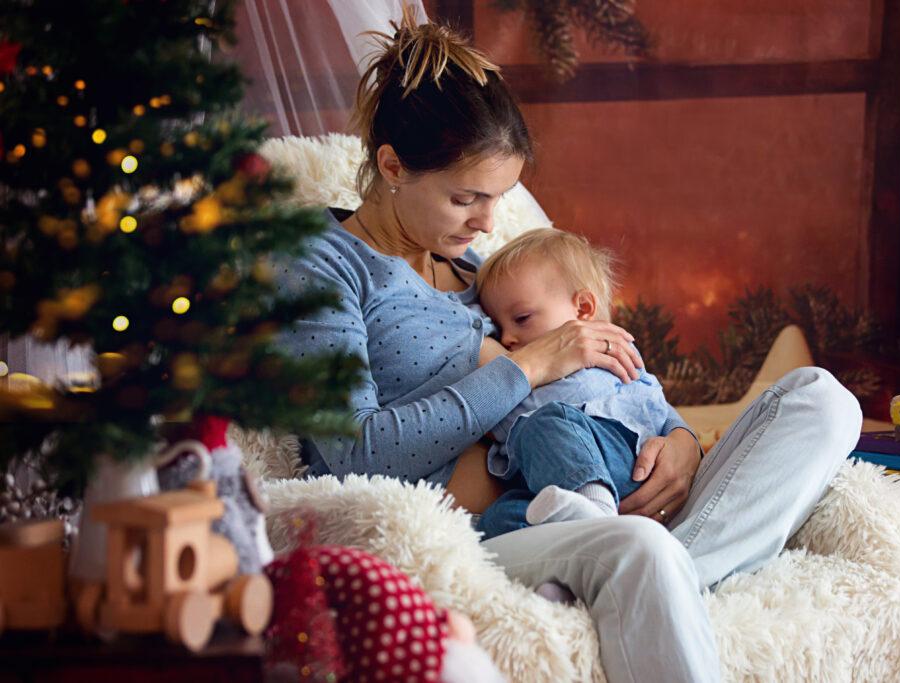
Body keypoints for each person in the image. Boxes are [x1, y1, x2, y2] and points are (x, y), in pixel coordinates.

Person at [281, 10, 862, 682]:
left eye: (498, 197)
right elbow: (352, 452)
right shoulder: (321, 266)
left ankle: (667, 568)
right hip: (495, 532)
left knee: (823, 401)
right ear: (391, 166)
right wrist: (527, 365)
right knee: (637, 549)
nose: (487, 222)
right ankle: (652, 568)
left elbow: (601, 384)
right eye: (466, 197)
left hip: (610, 497)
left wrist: (677, 439)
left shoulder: (484, 275)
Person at [474, 228, 694, 540]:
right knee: (496, 520)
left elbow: (650, 405)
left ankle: (597, 519)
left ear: (583, 309)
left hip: (624, 462)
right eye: (499, 329)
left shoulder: (610, 356)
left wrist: (681, 436)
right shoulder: (521, 371)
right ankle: (559, 581)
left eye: (522, 318)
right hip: (552, 487)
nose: (507, 338)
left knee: (549, 421)